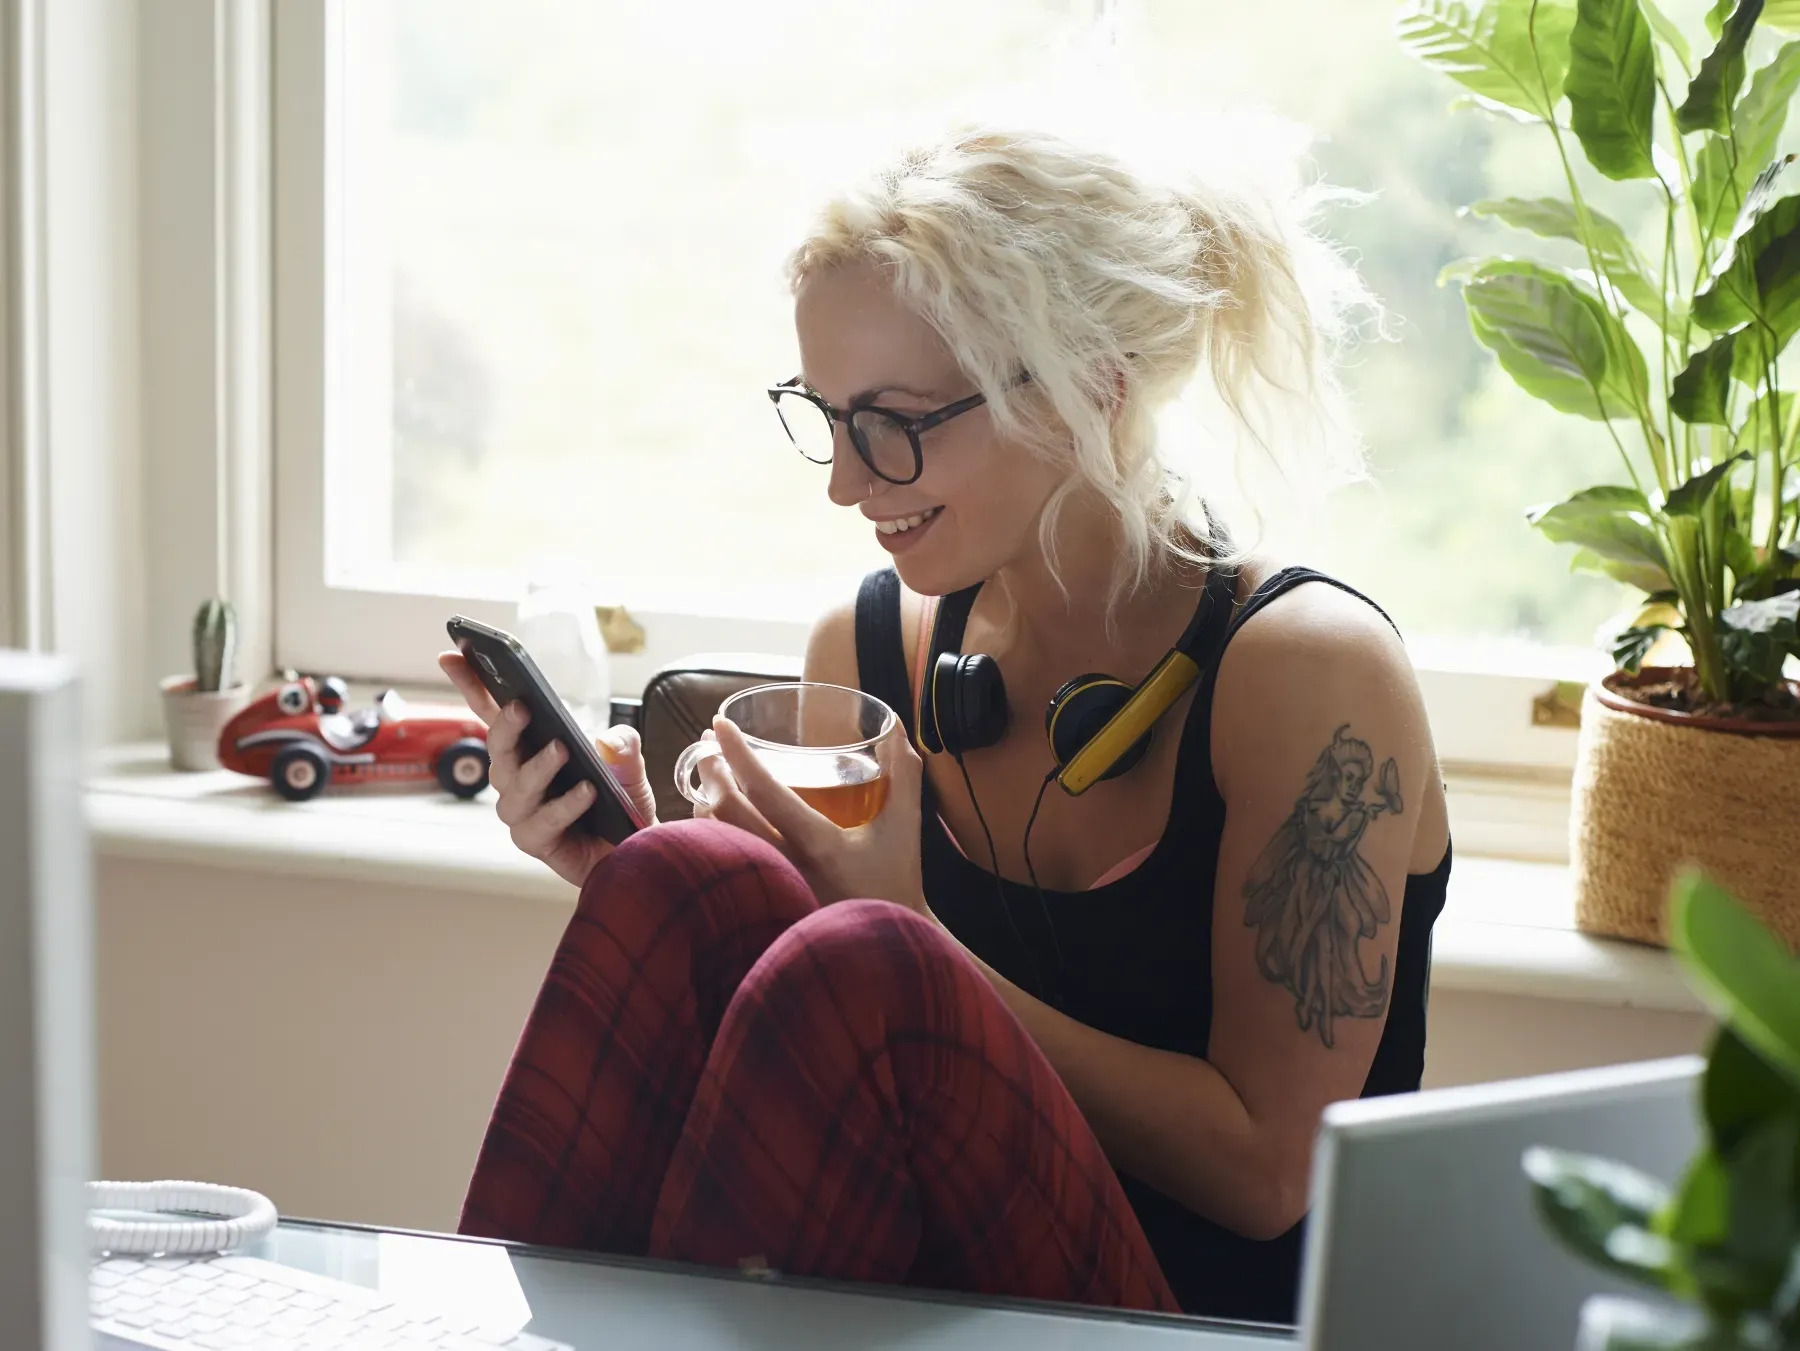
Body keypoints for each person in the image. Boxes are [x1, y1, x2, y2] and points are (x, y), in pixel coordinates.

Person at [440, 123, 1451, 1326]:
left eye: (896, 420)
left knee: (871, 957)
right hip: (930, 1305)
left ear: (1089, 388)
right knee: (682, 873)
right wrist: (629, 863)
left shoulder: (1308, 673)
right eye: (826, 416)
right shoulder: (867, 652)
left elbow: (1270, 1175)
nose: (846, 481)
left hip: (1198, 1325)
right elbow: (802, 1055)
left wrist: (916, 935)